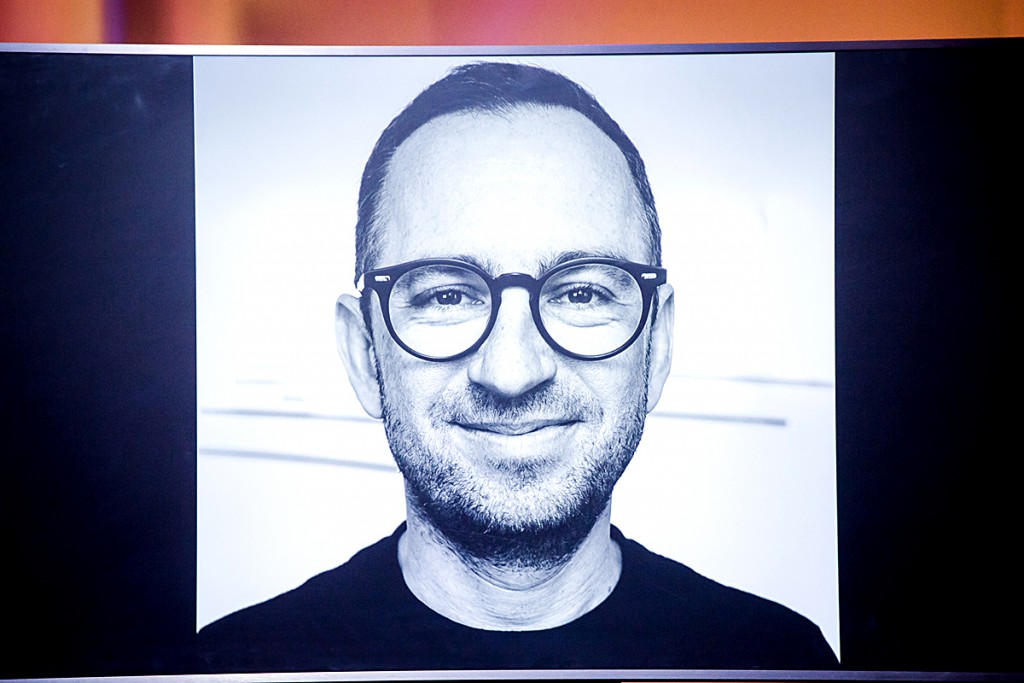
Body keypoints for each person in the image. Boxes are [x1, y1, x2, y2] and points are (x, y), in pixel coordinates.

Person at [197, 61, 838, 672]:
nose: (512, 372)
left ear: (659, 342)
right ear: (365, 352)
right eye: (446, 296)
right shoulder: (227, 673)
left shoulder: (782, 665)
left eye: (581, 293)